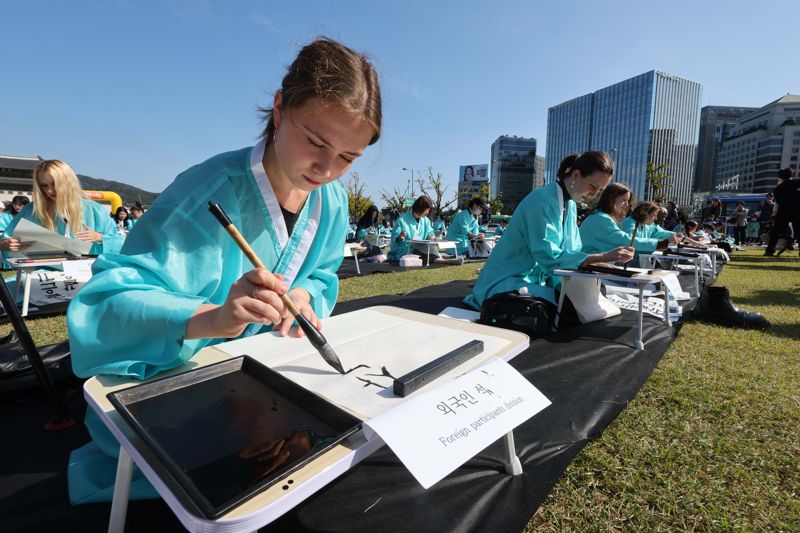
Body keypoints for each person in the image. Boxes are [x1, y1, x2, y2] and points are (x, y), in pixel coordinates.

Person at [65, 37, 382, 504]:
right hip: (176, 386)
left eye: (349, 158)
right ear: (279, 108)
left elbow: (323, 273)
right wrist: (214, 317)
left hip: (268, 380)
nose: (326, 169)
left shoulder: (331, 201)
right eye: (315, 142)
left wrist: (304, 297)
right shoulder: (205, 192)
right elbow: (105, 304)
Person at [464, 152, 633, 319]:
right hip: (508, 279)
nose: (594, 195)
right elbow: (547, 255)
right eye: (593, 186)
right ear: (575, 175)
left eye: (600, 190)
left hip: (536, 279)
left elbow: (571, 250)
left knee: (588, 302)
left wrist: (596, 264)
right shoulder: (542, 200)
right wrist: (598, 258)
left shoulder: (571, 204)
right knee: (567, 310)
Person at [1, 160, 123, 258]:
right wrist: (5, 244)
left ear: (68, 182)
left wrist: (100, 237)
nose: (49, 191)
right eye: (44, 185)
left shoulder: (95, 210)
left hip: (87, 274)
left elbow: (120, 243)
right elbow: (6, 239)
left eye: (54, 184)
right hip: (43, 275)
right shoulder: (31, 210)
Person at [579, 183, 678, 256]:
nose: (626, 205)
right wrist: (661, 243)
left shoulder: (600, 216)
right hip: (589, 271)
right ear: (611, 198)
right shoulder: (601, 218)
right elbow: (625, 240)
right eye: (624, 200)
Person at [388, 195, 435, 262]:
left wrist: (431, 237)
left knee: (432, 254)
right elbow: (394, 240)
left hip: (421, 248)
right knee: (424, 256)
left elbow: (430, 232)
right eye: (426, 210)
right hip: (405, 250)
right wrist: (399, 237)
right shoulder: (402, 220)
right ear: (420, 208)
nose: (427, 212)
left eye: (429, 210)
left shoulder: (426, 220)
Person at [765, 168, 800, 256]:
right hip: (797, 210)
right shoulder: (797, 183)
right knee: (799, 231)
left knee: (775, 231)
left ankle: (769, 250)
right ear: (791, 175)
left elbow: (779, 202)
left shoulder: (777, 189)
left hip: (783, 211)